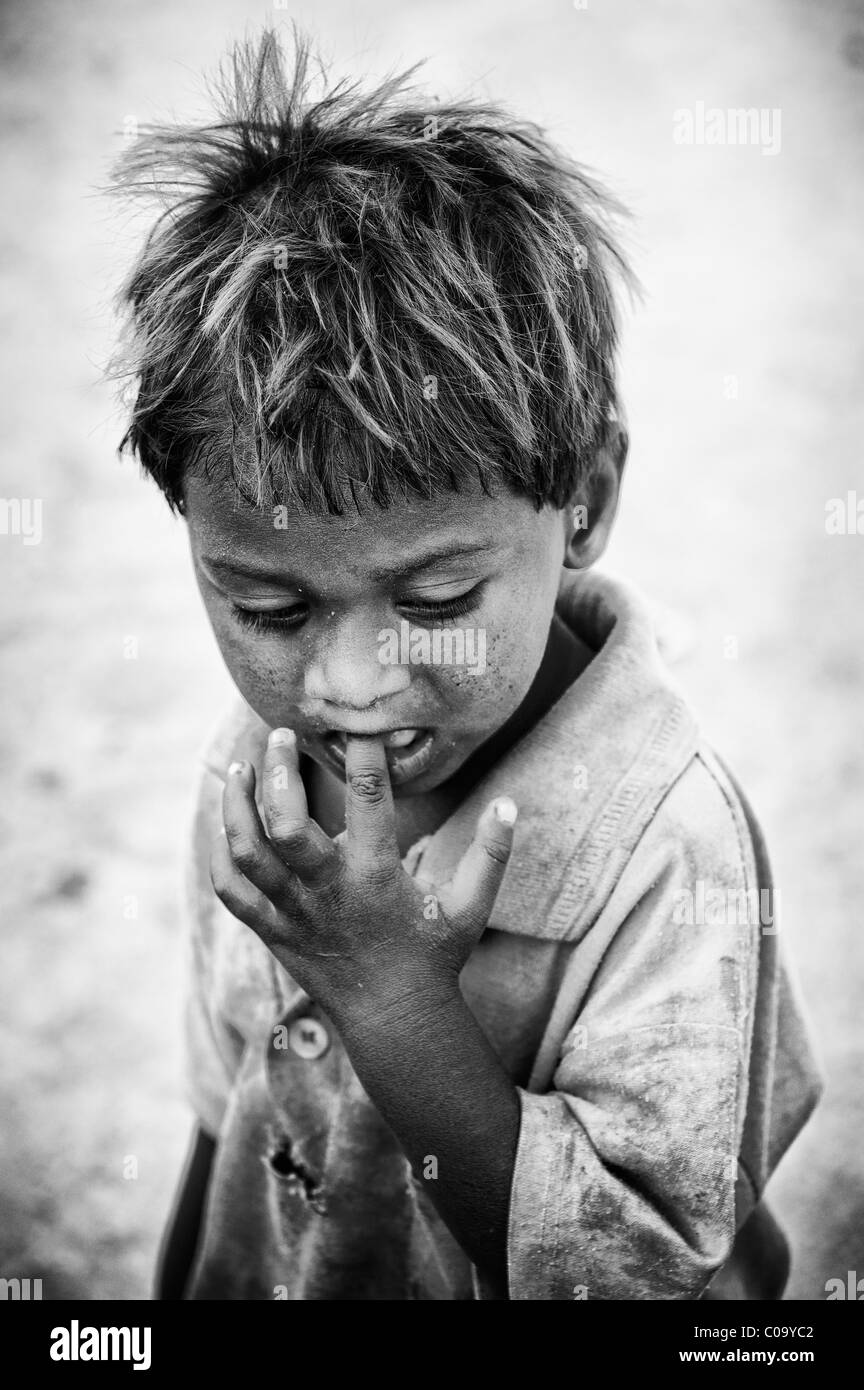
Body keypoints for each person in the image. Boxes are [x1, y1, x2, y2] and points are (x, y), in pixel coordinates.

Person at [110, 27, 822, 1300]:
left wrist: (390, 999)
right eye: (267, 606)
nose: (348, 686)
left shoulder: (661, 851)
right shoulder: (257, 767)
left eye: (435, 596)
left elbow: (634, 1275)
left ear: (586, 500)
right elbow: (233, 1119)